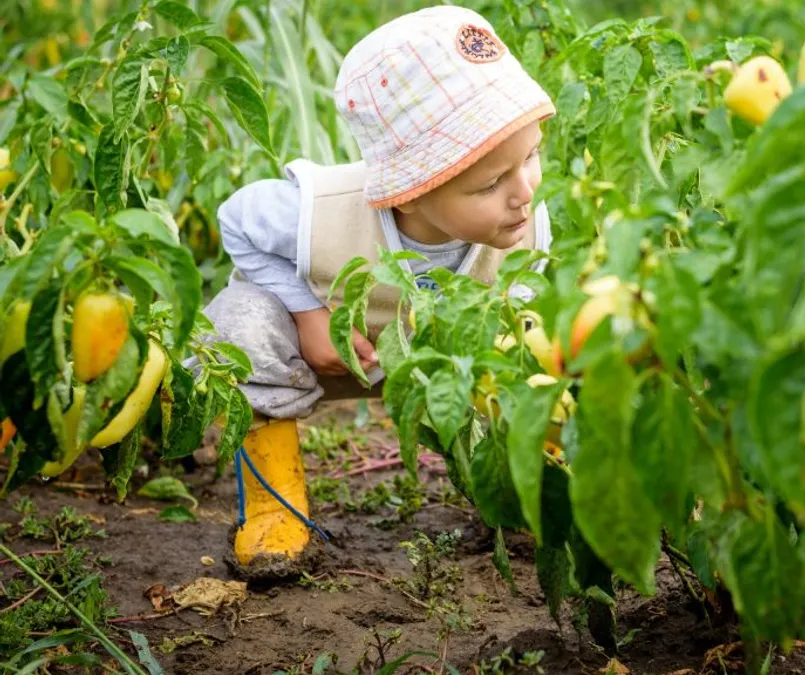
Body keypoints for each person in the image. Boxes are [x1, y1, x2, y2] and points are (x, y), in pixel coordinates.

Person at [199, 5, 556, 581]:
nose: (524, 193)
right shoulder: (322, 212)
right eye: (490, 183)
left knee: (530, 341)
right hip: (332, 357)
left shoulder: (527, 228)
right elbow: (237, 219)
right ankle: (274, 507)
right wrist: (309, 313)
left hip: (440, 368)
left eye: (532, 155)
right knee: (242, 320)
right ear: (408, 194)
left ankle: (514, 497)